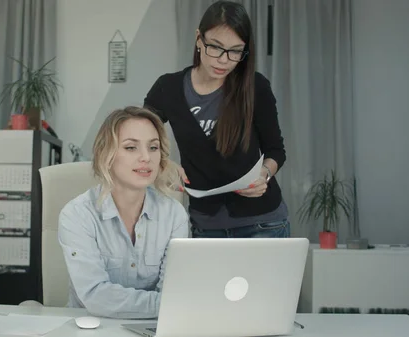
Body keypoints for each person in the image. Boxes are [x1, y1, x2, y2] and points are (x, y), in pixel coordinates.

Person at [144, 1, 289, 239]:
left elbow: (276, 150)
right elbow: (140, 135)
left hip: (263, 223)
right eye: (215, 47)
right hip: (206, 225)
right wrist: (163, 163)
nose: (224, 60)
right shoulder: (167, 88)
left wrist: (264, 174)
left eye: (235, 51)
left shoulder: (256, 87)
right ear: (199, 39)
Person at [58, 106, 189, 319]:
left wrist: (174, 304)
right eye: (131, 148)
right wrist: (172, 305)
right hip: (90, 329)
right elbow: (94, 295)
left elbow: (172, 289)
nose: (146, 157)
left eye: (153, 147)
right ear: (106, 154)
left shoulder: (174, 214)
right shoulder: (77, 215)